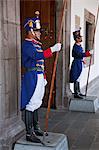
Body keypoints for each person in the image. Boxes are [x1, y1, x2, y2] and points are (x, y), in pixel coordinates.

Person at [21, 11, 61, 143]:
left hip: (38, 76)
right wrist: (52, 49)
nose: (39, 33)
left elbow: (40, 63)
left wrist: (43, 77)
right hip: (31, 77)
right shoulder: (27, 45)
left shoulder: (36, 44)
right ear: (31, 31)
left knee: (37, 102)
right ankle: (29, 133)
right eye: (37, 31)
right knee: (31, 104)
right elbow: (37, 57)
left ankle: (36, 127)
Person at [69, 28, 92, 99]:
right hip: (76, 63)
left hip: (79, 62)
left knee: (79, 78)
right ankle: (76, 93)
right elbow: (79, 54)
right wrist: (88, 53)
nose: (81, 38)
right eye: (80, 37)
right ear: (77, 39)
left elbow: (80, 55)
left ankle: (78, 91)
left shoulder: (79, 46)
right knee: (76, 77)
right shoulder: (75, 46)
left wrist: (82, 60)